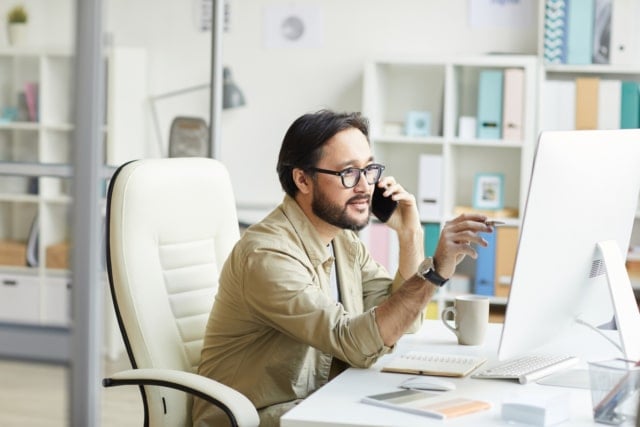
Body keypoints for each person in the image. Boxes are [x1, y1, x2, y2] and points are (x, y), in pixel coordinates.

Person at [192, 109, 494, 426]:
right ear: (302, 179)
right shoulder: (268, 255)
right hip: (257, 417)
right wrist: (435, 273)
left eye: (369, 170)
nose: (365, 186)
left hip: (317, 402)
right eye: (349, 173)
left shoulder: (342, 241)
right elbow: (354, 342)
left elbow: (400, 323)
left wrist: (410, 234)